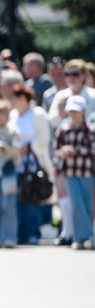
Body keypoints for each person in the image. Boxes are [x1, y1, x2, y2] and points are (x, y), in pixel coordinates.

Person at [9, 84, 53, 245]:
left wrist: (27, 148)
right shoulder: (13, 115)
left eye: (15, 98)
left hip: (34, 165)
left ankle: (33, 233)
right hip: (16, 164)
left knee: (31, 199)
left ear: (23, 98)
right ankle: (20, 233)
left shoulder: (38, 114)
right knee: (18, 200)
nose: (12, 101)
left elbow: (43, 138)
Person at [54, 95, 95, 249]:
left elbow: (92, 150)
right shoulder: (63, 129)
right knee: (76, 203)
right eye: (71, 111)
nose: (73, 114)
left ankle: (85, 237)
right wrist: (62, 152)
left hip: (86, 171)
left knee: (87, 205)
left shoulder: (91, 130)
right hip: (70, 172)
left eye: (76, 111)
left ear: (84, 111)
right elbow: (56, 149)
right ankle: (82, 237)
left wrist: (74, 151)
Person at [0, 100, 22, 248]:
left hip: (9, 169)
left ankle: (10, 236)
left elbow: (15, 149)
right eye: (3, 113)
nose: (6, 116)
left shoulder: (13, 130)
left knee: (8, 204)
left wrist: (2, 148)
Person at [48, 59, 95, 128]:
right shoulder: (60, 95)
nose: (71, 77)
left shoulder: (93, 95)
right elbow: (50, 122)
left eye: (75, 74)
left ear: (84, 75)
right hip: (66, 136)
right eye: (67, 74)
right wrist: (60, 113)